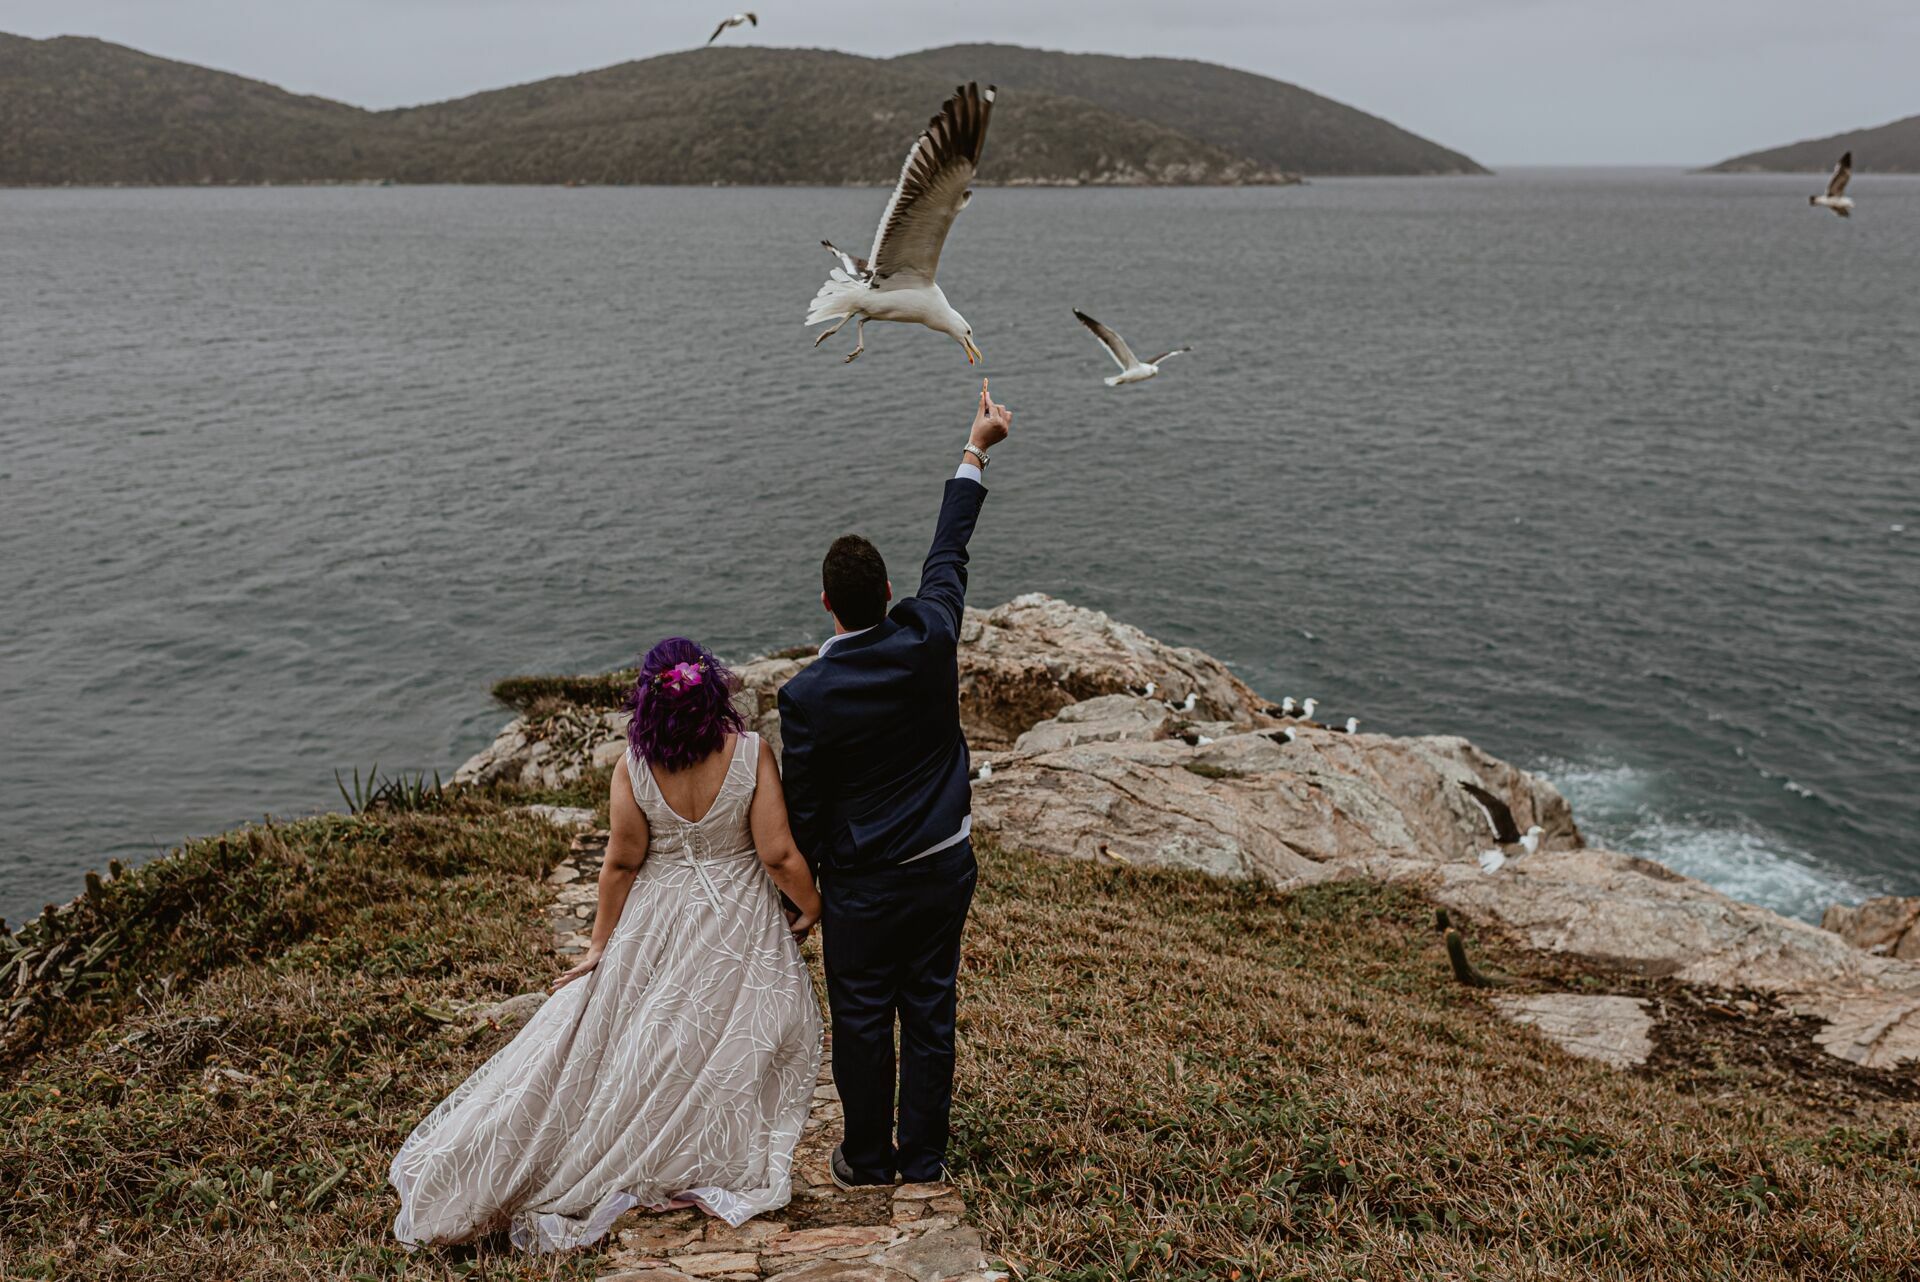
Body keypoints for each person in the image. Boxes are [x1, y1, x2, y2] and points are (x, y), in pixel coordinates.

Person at [389, 638, 824, 1251]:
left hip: (658, 916)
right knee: (731, 1034)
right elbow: (777, 854)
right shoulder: (750, 753)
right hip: (737, 916)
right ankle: (705, 1147)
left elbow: (620, 863)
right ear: (712, 691)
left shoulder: (635, 765)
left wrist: (599, 949)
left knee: (639, 1035)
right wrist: (812, 904)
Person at [778, 378, 1012, 1188]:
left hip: (864, 886)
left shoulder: (805, 697)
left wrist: (799, 895)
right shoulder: (928, 632)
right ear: (885, 595)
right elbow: (948, 553)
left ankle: (867, 1158)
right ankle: (926, 1159)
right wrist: (974, 449)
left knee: (864, 1020)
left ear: (826, 604)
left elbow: (803, 809)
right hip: (945, 866)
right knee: (932, 1011)